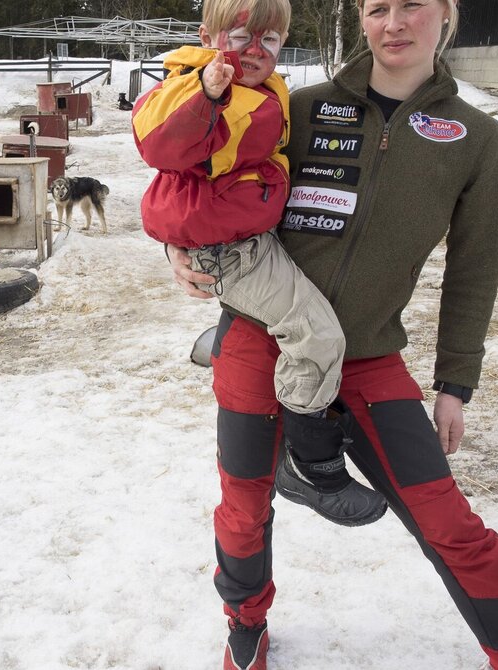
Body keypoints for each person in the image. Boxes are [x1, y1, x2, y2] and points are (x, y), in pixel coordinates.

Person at [164, 0, 498, 669]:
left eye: (413, 5)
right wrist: (176, 247)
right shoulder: (296, 108)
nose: (395, 23)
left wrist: (455, 383)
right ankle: (245, 621)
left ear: (446, 14)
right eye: (378, 7)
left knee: (448, 522)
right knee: (244, 506)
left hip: (368, 357)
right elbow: (202, 180)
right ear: (361, 17)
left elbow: (475, 268)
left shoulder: (477, 138)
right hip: (260, 343)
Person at [132, 0, 388, 532]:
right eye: (240, 36)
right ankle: (310, 463)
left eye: (268, 40)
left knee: (300, 324)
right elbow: (159, 144)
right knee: (316, 335)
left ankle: (223, 345)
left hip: (250, 238)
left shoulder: (268, 91)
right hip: (231, 251)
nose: (253, 51)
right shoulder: (192, 87)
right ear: (207, 36)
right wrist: (205, 94)